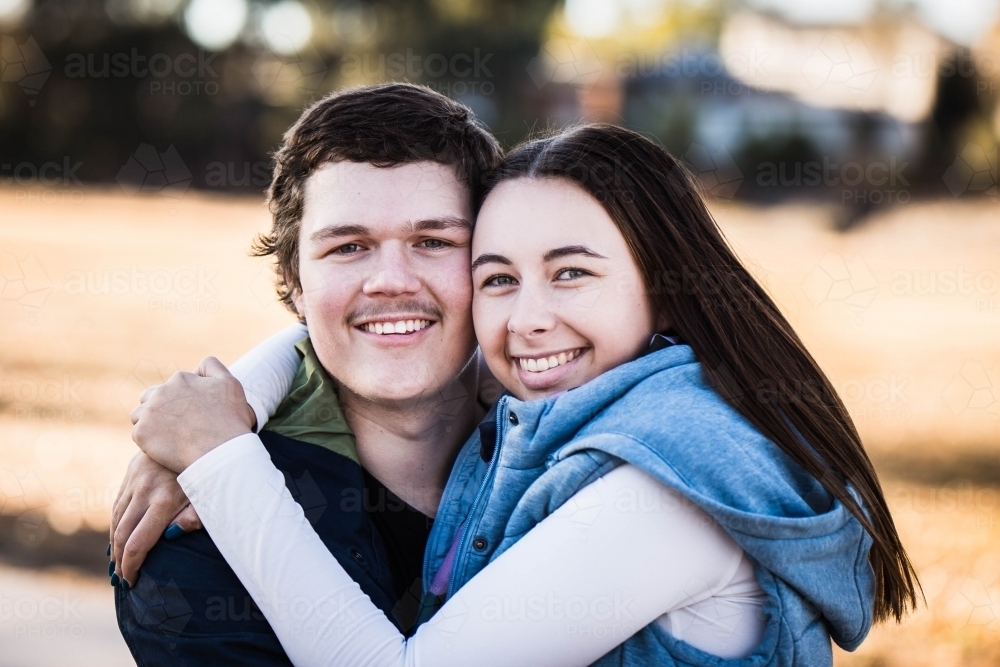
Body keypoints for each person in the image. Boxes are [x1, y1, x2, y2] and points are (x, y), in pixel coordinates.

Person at [129, 123, 920, 666]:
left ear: (667, 290)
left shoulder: (664, 486)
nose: (528, 319)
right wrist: (237, 397)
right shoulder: (599, 395)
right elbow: (379, 329)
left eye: (572, 271)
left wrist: (223, 456)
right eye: (498, 278)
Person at [110, 82, 503, 664]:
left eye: (433, 240)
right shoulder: (192, 535)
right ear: (294, 280)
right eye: (348, 247)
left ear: (494, 264)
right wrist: (217, 459)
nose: (391, 280)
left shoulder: (576, 468)